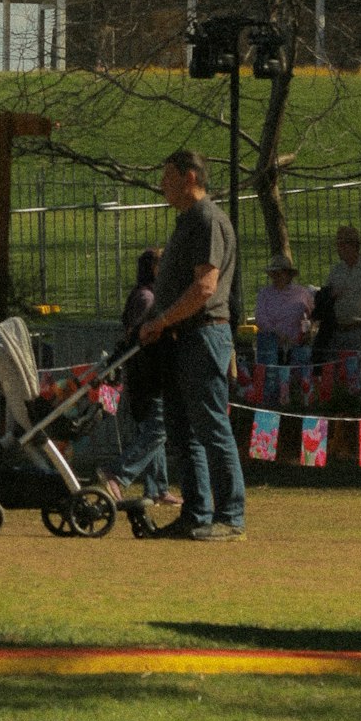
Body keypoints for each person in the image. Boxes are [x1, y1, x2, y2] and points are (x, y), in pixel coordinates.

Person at [139, 149, 246, 541]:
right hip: (182, 337)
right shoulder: (188, 221)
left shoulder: (206, 220)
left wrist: (162, 320)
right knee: (183, 430)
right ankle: (197, 513)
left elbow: (205, 287)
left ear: (189, 177)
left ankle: (231, 516)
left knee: (212, 427)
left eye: (167, 176)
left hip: (203, 334)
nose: (162, 184)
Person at [99, 248, 179, 505]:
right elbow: (138, 335)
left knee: (151, 429)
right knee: (158, 429)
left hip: (151, 372)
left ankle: (157, 488)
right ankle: (118, 472)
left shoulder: (148, 294)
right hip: (147, 373)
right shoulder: (147, 298)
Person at [325, 224, 361, 352]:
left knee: (358, 369)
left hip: (360, 331)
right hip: (337, 331)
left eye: (340, 245)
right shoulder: (336, 271)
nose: (338, 249)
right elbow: (325, 300)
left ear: (351, 246)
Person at [254, 253, 315, 367]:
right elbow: (260, 318)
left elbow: (310, 316)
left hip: (297, 344)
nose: (276, 277)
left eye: (279, 273)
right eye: (273, 274)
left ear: (288, 275)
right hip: (271, 343)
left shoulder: (302, 293)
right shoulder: (264, 294)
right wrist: (276, 333)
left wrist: (307, 330)